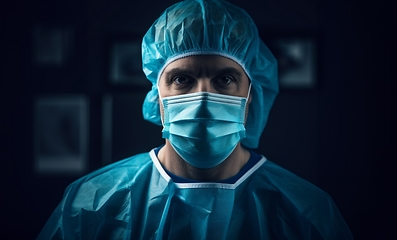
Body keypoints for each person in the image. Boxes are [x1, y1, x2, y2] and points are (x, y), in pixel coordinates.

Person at [38, 0, 353, 239]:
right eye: (182, 79)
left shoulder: (306, 210)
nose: (203, 98)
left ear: (250, 94)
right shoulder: (93, 202)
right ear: (157, 95)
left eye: (225, 79)